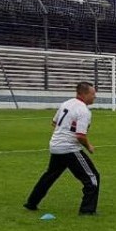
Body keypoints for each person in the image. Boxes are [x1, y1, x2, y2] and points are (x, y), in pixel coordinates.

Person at [24, 82, 101, 215]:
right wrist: (89, 147)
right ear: (83, 94)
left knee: (50, 175)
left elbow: (54, 122)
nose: (95, 96)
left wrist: (64, 132)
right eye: (93, 94)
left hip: (56, 146)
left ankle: (31, 203)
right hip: (69, 148)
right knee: (92, 177)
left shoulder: (66, 104)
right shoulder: (83, 110)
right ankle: (87, 211)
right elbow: (80, 136)